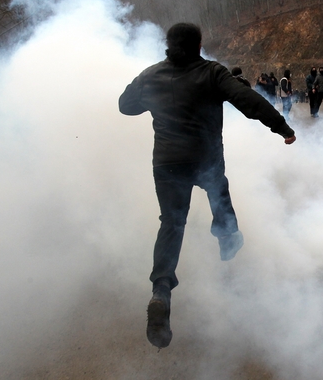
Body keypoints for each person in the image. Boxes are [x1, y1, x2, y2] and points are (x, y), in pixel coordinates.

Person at [118, 23, 296, 349]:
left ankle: (161, 290)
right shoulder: (212, 73)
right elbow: (247, 99)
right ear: (199, 44)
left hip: (167, 164)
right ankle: (227, 246)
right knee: (219, 195)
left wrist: (145, 84)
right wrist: (281, 126)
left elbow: (125, 105)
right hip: (205, 159)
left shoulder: (152, 74)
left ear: (168, 45)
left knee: (171, 224)